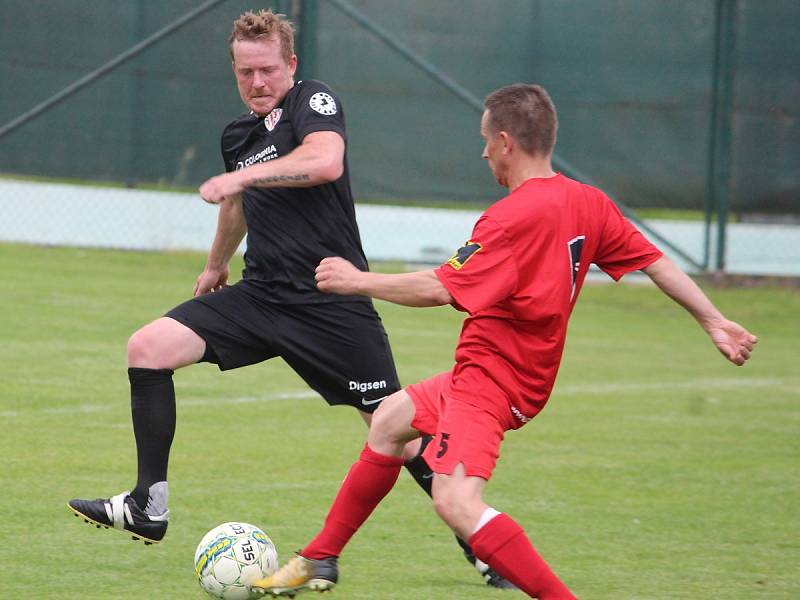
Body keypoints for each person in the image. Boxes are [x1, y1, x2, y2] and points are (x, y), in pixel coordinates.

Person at [250, 83, 758, 598]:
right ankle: (321, 557)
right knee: (388, 423)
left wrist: (358, 280)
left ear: (508, 142)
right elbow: (656, 262)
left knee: (456, 501)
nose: (483, 151)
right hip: (504, 373)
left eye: (486, 140)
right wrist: (713, 320)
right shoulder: (588, 202)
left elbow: (438, 288)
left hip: (492, 382)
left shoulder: (511, 219)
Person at [66, 9, 514, 589]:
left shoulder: (312, 102)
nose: (258, 82)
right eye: (246, 72)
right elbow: (236, 207)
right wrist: (215, 264)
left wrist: (243, 179)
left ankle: (479, 543)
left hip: (332, 300)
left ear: (291, 65)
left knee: (397, 433)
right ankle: (149, 503)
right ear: (234, 70)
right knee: (148, 347)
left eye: (268, 70)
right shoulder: (237, 135)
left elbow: (325, 162)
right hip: (261, 297)